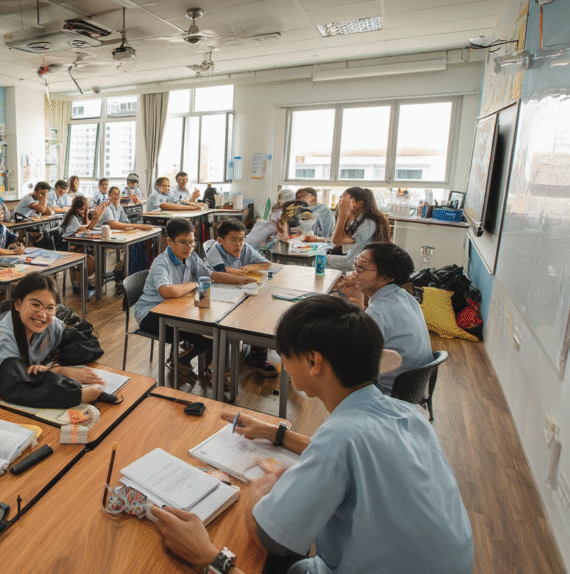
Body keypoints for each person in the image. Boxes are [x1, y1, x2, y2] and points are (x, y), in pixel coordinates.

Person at [152, 295, 473, 574]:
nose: (281, 363)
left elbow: (268, 536)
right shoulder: (408, 416)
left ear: (313, 361)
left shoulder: (340, 437)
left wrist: (213, 550)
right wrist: (276, 433)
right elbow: (352, 458)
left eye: (283, 354)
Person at [0, 272, 105, 408]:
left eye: (50, 308)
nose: (42, 315)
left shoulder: (49, 325)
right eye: (35, 305)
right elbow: (19, 388)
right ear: (18, 304)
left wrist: (56, 367)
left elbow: (89, 344)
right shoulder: (2, 339)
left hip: (25, 401)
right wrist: (77, 395)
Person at [133, 218, 242, 384]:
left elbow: (211, 274)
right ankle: (198, 366)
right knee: (211, 332)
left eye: (192, 242)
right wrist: (193, 284)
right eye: (183, 242)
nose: (189, 247)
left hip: (177, 309)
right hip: (151, 314)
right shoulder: (161, 262)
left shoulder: (191, 257)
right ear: (169, 241)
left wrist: (242, 280)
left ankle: (184, 360)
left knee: (216, 330)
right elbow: (166, 291)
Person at [337, 242, 433, 395]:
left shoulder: (379, 313)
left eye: (362, 268)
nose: (354, 272)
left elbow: (349, 354)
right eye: (356, 264)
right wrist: (357, 298)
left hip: (387, 392)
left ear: (387, 277)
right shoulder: (405, 297)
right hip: (413, 389)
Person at [204, 219, 278, 377]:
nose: (239, 245)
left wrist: (250, 267)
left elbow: (266, 265)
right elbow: (221, 272)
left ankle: (257, 355)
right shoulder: (214, 251)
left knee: (259, 311)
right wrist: (244, 274)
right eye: (233, 240)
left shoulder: (245, 248)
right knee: (230, 321)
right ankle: (219, 364)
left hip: (241, 292)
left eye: (242, 239)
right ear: (220, 241)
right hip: (219, 296)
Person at [326, 187, 391, 271]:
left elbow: (337, 240)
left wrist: (342, 216)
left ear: (358, 203)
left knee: (319, 260)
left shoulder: (368, 223)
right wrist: (346, 216)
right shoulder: (357, 220)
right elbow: (339, 241)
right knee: (320, 259)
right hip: (352, 260)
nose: (340, 202)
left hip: (359, 264)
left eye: (344, 198)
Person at [61, 195, 99, 292]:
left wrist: (86, 213)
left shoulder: (79, 215)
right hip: (68, 245)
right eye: (82, 209)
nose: (84, 211)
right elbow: (86, 228)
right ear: (76, 208)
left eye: (86, 208)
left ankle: (83, 280)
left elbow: (86, 224)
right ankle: (78, 282)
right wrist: (95, 220)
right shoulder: (72, 217)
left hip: (78, 244)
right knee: (90, 261)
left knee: (96, 253)